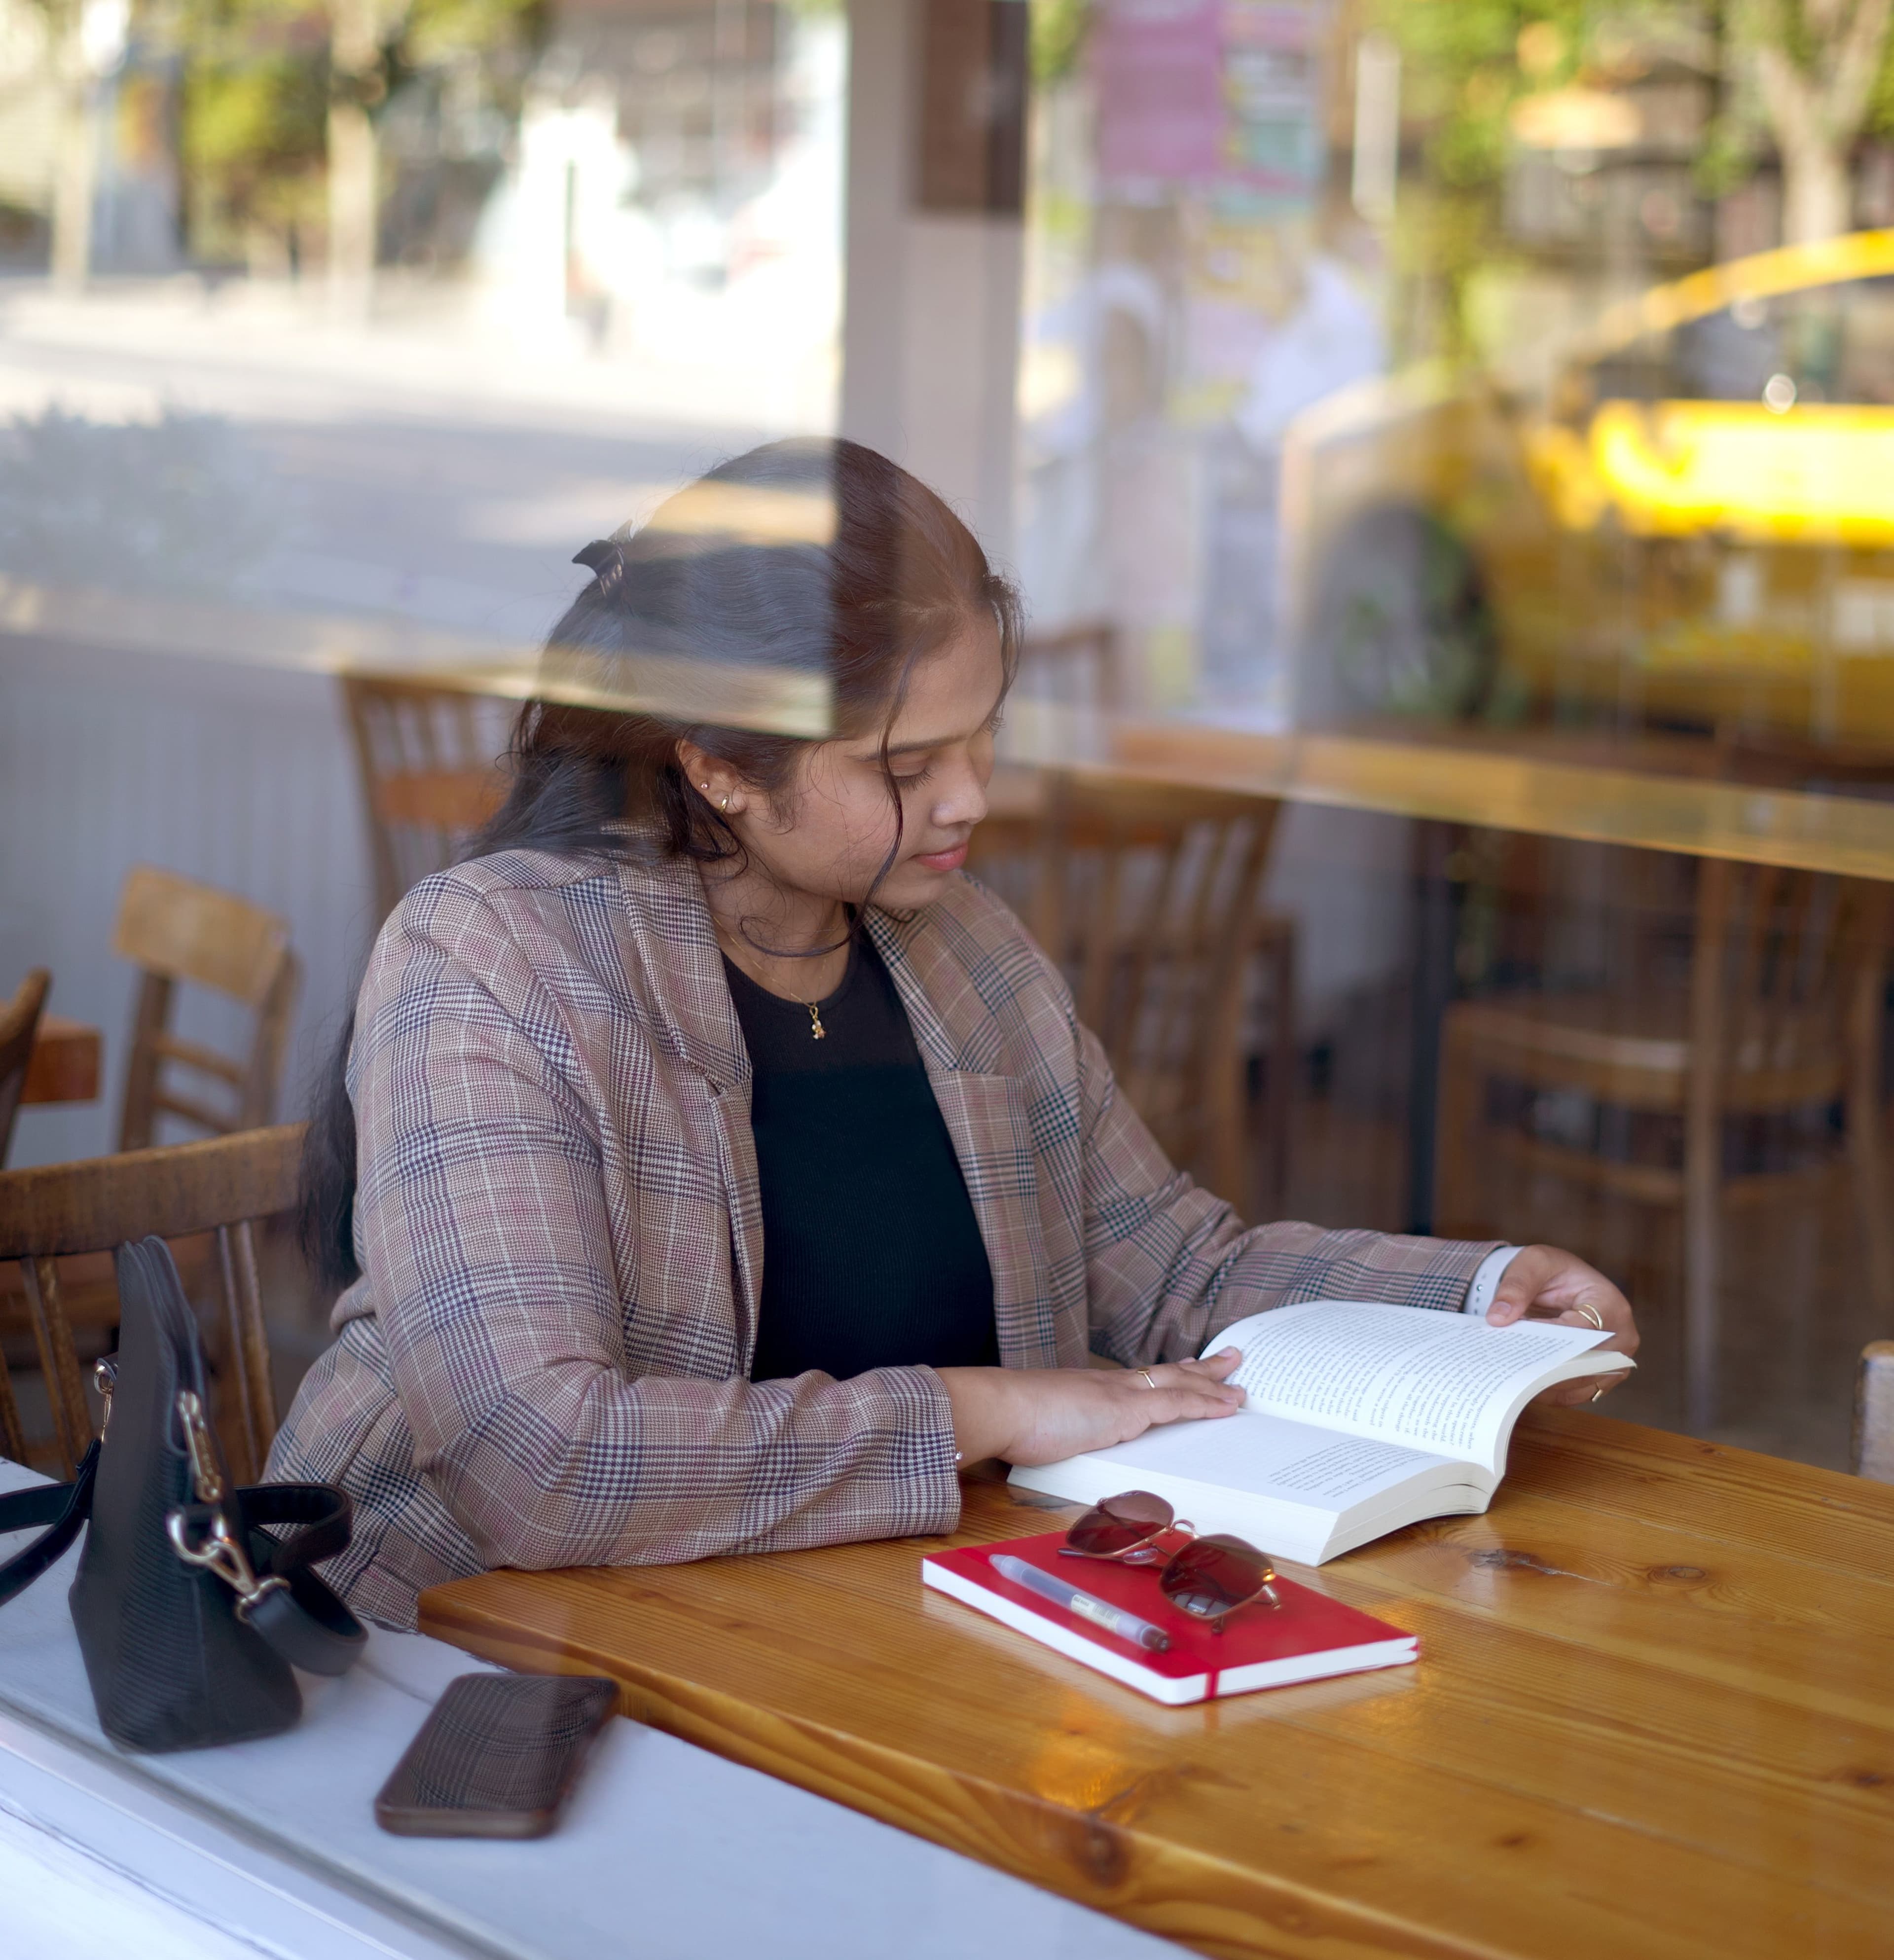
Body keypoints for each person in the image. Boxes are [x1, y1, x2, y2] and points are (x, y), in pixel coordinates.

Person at [273, 437, 1638, 1630]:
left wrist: (1478, 1295)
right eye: (904, 767)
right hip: (476, 1659)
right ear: (720, 766)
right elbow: (536, 1456)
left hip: (856, 1633)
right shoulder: (499, 960)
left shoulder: (959, 947)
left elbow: (1168, 1266)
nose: (967, 800)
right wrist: (987, 1409)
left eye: (981, 737)